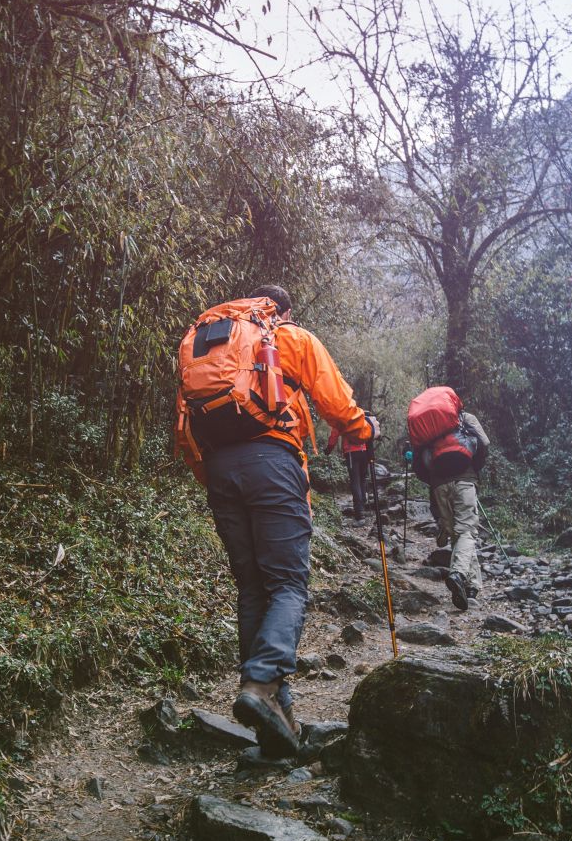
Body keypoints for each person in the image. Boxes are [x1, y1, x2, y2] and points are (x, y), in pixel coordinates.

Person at [175, 284, 377, 758]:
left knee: (252, 587)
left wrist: (215, 478)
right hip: (272, 462)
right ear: (280, 310)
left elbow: (185, 424)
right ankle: (263, 683)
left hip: (220, 468)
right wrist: (364, 428)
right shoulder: (286, 336)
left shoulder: (208, 343)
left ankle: (276, 712)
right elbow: (336, 401)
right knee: (288, 585)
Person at [407, 385, 487, 611]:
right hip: (465, 480)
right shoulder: (464, 418)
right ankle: (460, 574)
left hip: (438, 485)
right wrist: (474, 469)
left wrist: (433, 483)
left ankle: (472, 587)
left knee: (457, 534)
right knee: (468, 531)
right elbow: (484, 443)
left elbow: (419, 464)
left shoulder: (428, 430)